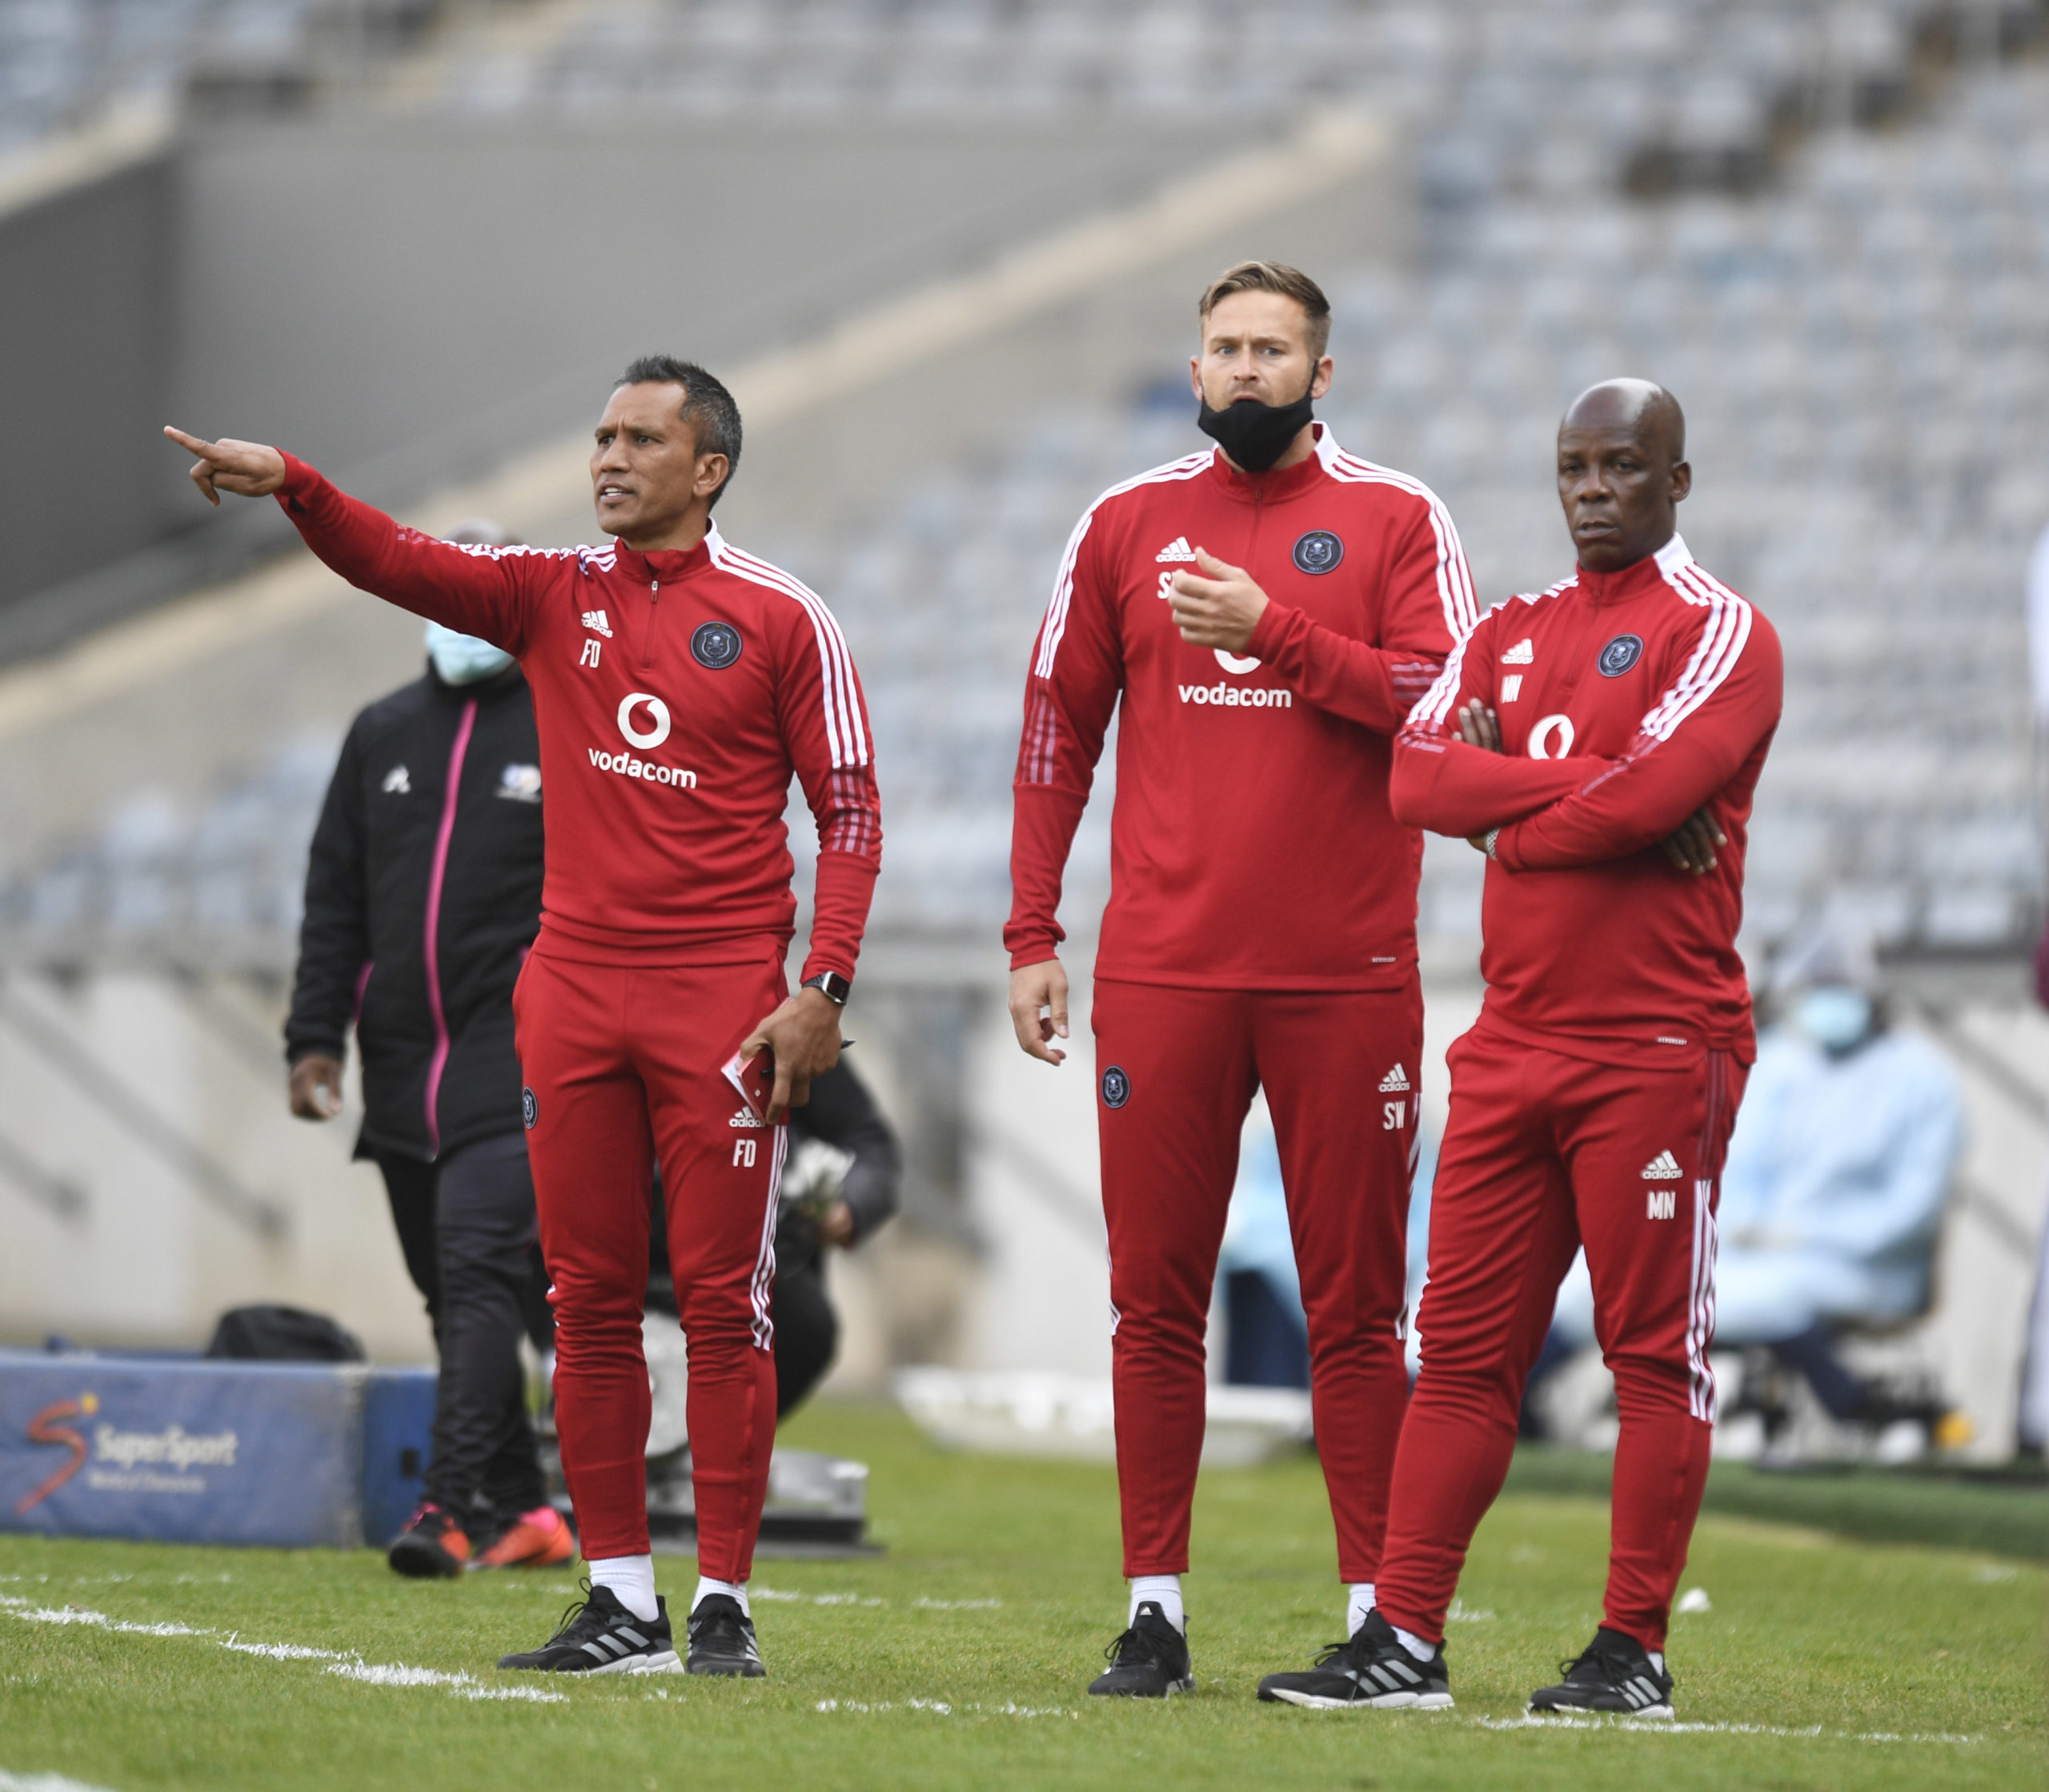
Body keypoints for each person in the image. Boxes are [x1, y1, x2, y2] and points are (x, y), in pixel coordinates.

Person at [166, 355, 882, 1681]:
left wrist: (820, 989)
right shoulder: (548, 593)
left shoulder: (787, 617)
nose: (606, 457)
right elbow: (399, 563)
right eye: (601, 435)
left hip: (721, 1001)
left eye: (639, 439)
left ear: (707, 467)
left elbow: (850, 812)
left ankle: (721, 1596)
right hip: (570, 996)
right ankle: (619, 1597)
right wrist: (298, 488)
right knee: (590, 1299)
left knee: (726, 1304)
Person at [1261, 379, 1781, 1718]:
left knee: (1651, 1351)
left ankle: (1633, 1648)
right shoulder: (1507, 626)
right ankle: (1405, 1636)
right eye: (1574, 466)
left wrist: (1508, 811)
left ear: (1678, 480)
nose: (1593, 488)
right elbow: (1415, 781)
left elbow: (1655, 799)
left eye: (1623, 465)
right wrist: (1582, 798)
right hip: (1512, 1042)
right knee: (1463, 1350)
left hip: (1658, 1044)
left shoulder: (1724, 634)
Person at [1005, 261, 1477, 1697]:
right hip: (1163, 974)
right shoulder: (1124, 522)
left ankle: (1384, 1621)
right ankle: (1155, 1611)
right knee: (1153, 1301)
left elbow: (1452, 709)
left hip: (1347, 976)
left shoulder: (1399, 518)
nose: (1250, 369)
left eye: (1276, 349)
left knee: (1357, 1307)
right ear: (1196, 368)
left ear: (1323, 375)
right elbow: (1054, 732)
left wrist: (1275, 632)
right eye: (1226, 348)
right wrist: (1033, 930)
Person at [287, 524, 569, 1578]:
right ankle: (531, 1509)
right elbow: (334, 895)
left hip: (516, 1050)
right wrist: (315, 1032)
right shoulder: (382, 732)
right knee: (446, 1289)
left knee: (482, 1270)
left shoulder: (561, 719)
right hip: (404, 1057)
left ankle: (449, 1507)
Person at [1546, 924, 1962, 1444]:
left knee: (1760, 1295)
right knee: (1603, 1277)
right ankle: (1519, 1401)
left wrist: (1806, 1234)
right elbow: (1734, 1167)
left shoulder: (1925, 1080)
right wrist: (1733, 1229)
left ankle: (1856, 1408)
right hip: (1755, 1250)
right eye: (1815, 986)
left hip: (1864, 1268)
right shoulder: (1778, 1063)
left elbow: (1912, 1211)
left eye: (1841, 984)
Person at [648, 1059, 902, 1417]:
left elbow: (870, 1144)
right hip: (630, 1258)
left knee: (804, 1328)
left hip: (758, 1260)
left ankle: (721, 1453)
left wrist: (847, 1206)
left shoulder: (784, 1025)